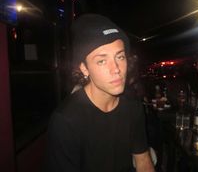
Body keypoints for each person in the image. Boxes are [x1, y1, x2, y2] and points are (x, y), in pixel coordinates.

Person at [44, 14, 155, 172]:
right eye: (102, 60)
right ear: (84, 68)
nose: (116, 69)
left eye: (120, 57)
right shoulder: (66, 121)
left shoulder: (133, 106)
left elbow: (143, 160)